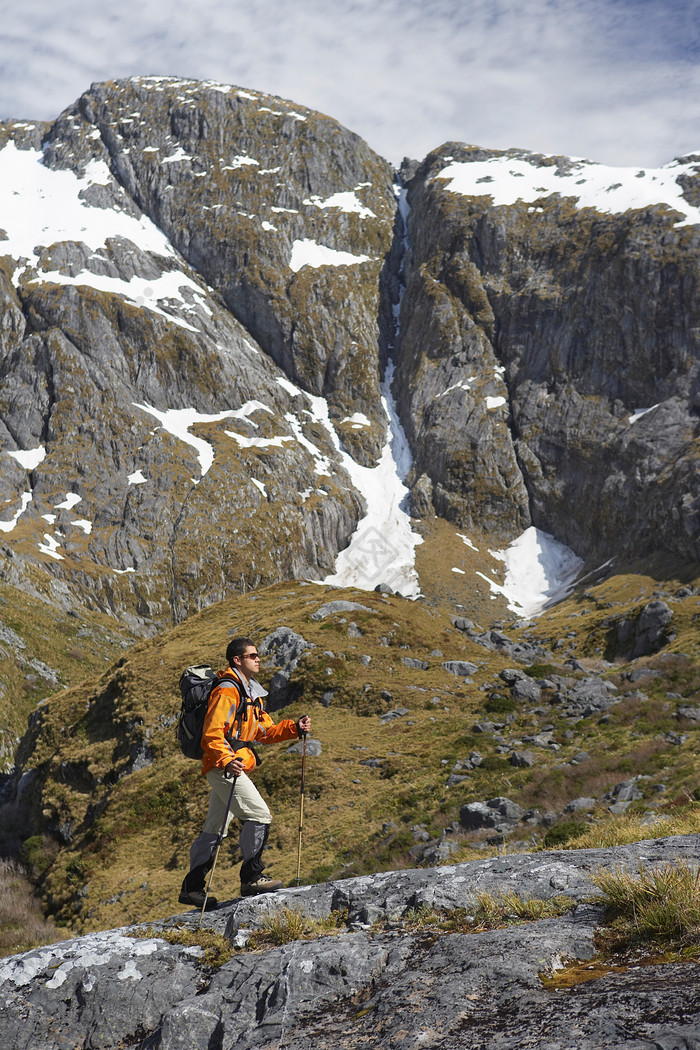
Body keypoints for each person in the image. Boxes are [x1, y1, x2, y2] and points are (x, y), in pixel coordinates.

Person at [179, 636, 311, 909]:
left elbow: (264, 732)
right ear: (237, 660)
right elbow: (212, 733)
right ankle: (251, 878)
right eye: (252, 655)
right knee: (259, 814)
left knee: (214, 829)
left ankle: (191, 889)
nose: (258, 658)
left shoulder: (250, 693)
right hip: (224, 766)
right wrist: (227, 760)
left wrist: (294, 728)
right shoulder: (228, 690)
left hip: (227, 764)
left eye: (257, 654)